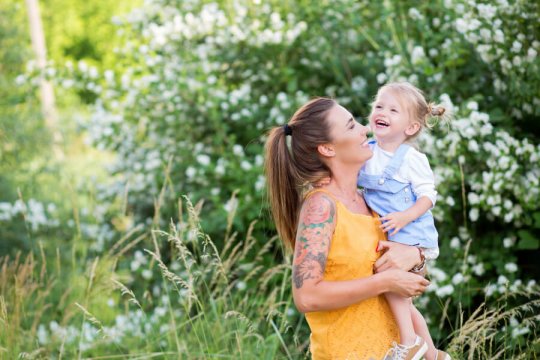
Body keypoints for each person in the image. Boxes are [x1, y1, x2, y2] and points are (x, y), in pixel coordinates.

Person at [264, 97, 430, 359]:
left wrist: (417, 257)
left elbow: (406, 282)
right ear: (328, 148)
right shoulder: (321, 207)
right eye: (351, 126)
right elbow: (306, 296)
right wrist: (384, 280)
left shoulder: (372, 201)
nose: (365, 128)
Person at [358, 82, 451, 360]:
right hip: (390, 234)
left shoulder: (412, 158)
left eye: (393, 110)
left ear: (410, 128)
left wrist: (404, 216)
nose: (382, 111)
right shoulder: (367, 150)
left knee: (393, 288)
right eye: (379, 106)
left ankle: (410, 343)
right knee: (405, 304)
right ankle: (433, 355)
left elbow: (428, 196)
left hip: (410, 233)